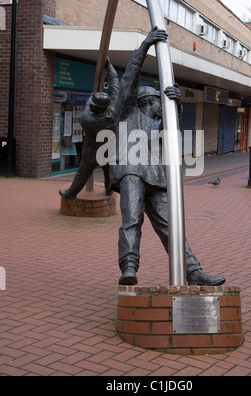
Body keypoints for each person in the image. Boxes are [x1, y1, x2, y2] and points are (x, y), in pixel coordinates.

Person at [107, 26, 226, 287]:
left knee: (172, 227)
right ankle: (129, 266)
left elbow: (166, 134)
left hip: (156, 179)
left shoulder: (157, 122)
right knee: (132, 219)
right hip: (132, 172)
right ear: (146, 102)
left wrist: (178, 107)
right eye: (157, 103)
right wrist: (145, 46)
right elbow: (129, 80)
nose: (161, 108)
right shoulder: (129, 113)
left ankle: (193, 272)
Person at [59, 57, 119, 199]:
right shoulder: (114, 112)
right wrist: (109, 66)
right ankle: (109, 190)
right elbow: (115, 86)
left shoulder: (87, 119)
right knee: (108, 171)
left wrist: (90, 97)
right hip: (109, 149)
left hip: (92, 151)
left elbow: (87, 107)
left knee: (82, 173)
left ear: (96, 107)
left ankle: (71, 193)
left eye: (93, 104)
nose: (91, 104)